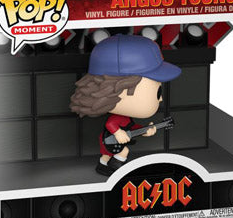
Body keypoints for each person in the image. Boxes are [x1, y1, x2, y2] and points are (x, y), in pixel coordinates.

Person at [70, 34, 181, 176]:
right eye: (157, 92)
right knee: (123, 151)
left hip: (110, 140)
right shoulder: (116, 118)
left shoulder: (125, 118)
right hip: (109, 139)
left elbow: (130, 127)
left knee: (107, 155)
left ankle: (103, 166)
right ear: (121, 90)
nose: (161, 99)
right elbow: (111, 124)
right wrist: (117, 132)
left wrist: (145, 130)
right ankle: (115, 168)